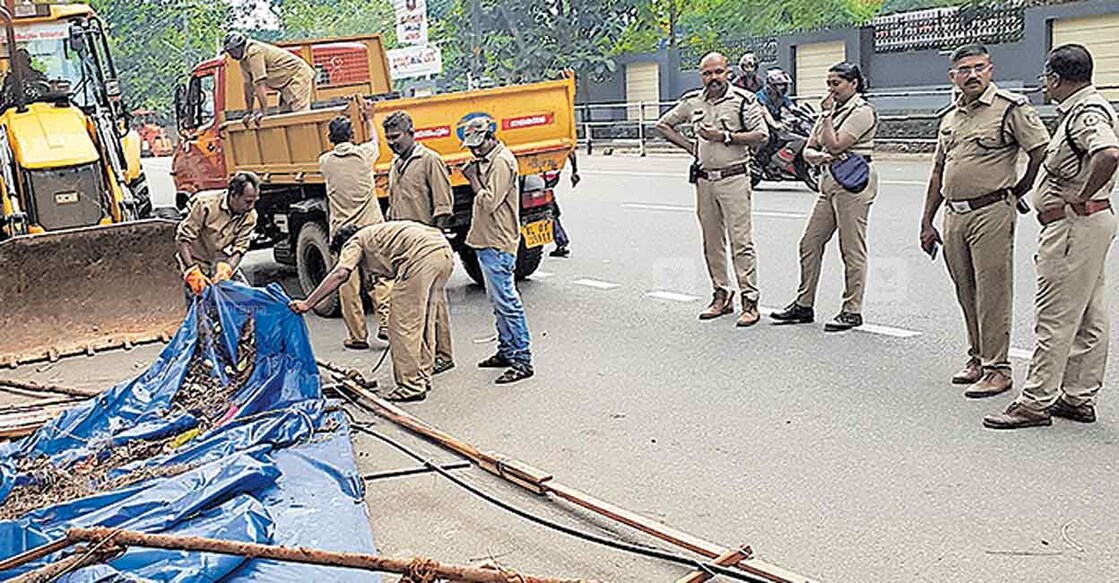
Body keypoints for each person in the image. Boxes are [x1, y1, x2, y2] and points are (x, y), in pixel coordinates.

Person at [984, 44, 1119, 429]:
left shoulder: (1086, 112)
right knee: (1089, 315)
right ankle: (1078, 396)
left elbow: (1108, 153)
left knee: (1055, 315)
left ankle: (1035, 400)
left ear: (1056, 78)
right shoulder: (1084, 108)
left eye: (1047, 78)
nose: (1045, 85)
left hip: (1075, 225)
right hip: (1087, 225)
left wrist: (1083, 193)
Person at [919, 43, 1050, 399]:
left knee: (993, 292)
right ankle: (977, 358)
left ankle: (998, 369)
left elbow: (1040, 150)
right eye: (964, 70)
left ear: (990, 69)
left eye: (979, 67)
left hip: (991, 211)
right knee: (966, 290)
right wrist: (927, 221)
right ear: (953, 76)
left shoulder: (1010, 109)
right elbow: (938, 171)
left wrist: (1019, 188)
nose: (972, 75)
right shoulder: (951, 117)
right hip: (954, 215)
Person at [655, 52, 769, 326]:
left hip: (734, 178)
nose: (713, 78)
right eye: (707, 73)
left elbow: (761, 135)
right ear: (701, 76)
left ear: (727, 72)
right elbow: (663, 124)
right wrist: (690, 147)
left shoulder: (743, 100)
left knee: (741, 241)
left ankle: (750, 301)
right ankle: (721, 295)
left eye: (718, 72)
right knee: (712, 242)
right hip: (705, 181)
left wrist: (725, 137)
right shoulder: (693, 101)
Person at [291, 222, 453, 402]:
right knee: (424, 321)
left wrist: (308, 303)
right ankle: (422, 375)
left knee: (401, 326)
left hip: (420, 258)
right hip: (443, 252)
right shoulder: (374, 236)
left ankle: (411, 386)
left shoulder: (354, 242)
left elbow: (340, 273)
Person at [770, 62, 878, 332]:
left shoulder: (861, 111)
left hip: (853, 182)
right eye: (828, 83)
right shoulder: (827, 113)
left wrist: (827, 120)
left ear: (853, 84)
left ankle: (852, 309)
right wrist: (820, 154)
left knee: (851, 248)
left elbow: (835, 143)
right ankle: (804, 303)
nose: (831, 89)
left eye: (836, 83)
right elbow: (809, 150)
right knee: (810, 242)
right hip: (828, 180)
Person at [461, 117, 535, 383]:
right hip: (486, 238)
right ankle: (506, 350)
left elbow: (489, 202)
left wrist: (472, 179)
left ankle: (522, 358)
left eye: (479, 146)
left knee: (507, 301)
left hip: (498, 240)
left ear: (491, 137)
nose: (475, 151)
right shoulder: (489, 161)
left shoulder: (502, 161)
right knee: (497, 300)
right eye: (472, 147)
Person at [382, 110, 455, 372]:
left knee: (434, 305)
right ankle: (429, 354)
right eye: (388, 138)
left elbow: (443, 208)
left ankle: (442, 356)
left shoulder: (429, 160)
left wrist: (437, 242)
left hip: (427, 248)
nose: (392, 142)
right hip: (404, 250)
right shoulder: (395, 164)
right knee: (417, 309)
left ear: (411, 134)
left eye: (396, 137)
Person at [318, 100, 390, 350]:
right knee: (380, 278)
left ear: (330, 139)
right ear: (351, 135)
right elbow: (375, 141)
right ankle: (387, 324)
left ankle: (357, 336)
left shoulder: (325, 162)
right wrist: (369, 118)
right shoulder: (364, 155)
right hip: (371, 229)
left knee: (348, 284)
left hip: (343, 233)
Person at [176, 172, 261, 299]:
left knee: (246, 299)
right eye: (248, 202)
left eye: (255, 201)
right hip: (195, 260)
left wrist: (227, 269)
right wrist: (192, 271)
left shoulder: (250, 215)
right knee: (200, 305)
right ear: (234, 195)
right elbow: (183, 240)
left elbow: (240, 249)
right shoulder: (205, 204)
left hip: (219, 260)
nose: (251, 206)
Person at [223, 32, 316, 126]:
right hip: (285, 83)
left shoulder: (254, 52)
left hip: (297, 75)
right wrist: (249, 112)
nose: (231, 55)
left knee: (299, 114)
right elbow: (248, 86)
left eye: (232, 51)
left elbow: (259, 83)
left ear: (240, 46)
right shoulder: (243, 60)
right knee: (285, 116)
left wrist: (263, 112)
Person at [755, 69, 794, 167]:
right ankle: (759, 161)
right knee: (766, 138)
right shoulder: (761, 96)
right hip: (761, 122)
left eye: (785, 85)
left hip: (776, 120)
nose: (783, 87)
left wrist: (807, 116)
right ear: (771, 85)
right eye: (780, 85)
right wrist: (775, 125)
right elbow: (765, 113)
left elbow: (792, 108)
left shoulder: (782, 97)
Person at [550, 150, 580, 258]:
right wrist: (574, 171)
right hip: (550, 175)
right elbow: (570, 151)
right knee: (548, 209)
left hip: (535, 174)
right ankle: (561, 241)